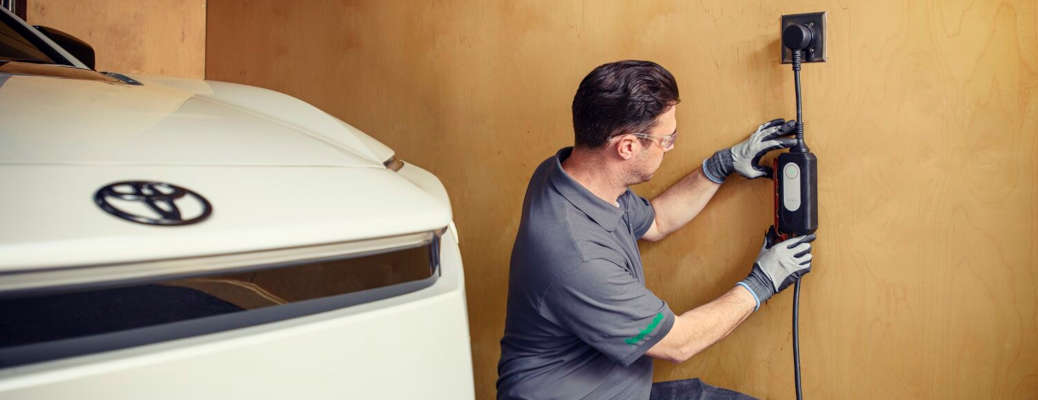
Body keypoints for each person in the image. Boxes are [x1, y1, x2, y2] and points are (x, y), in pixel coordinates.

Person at [496, 60, 816, 400]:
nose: (670, 146)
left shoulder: (567, 176)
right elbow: (679, 343)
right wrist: (762, 282)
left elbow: (657, 220)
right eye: (667, 139)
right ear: (627, 147)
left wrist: (721, 165)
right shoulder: (578, 258)